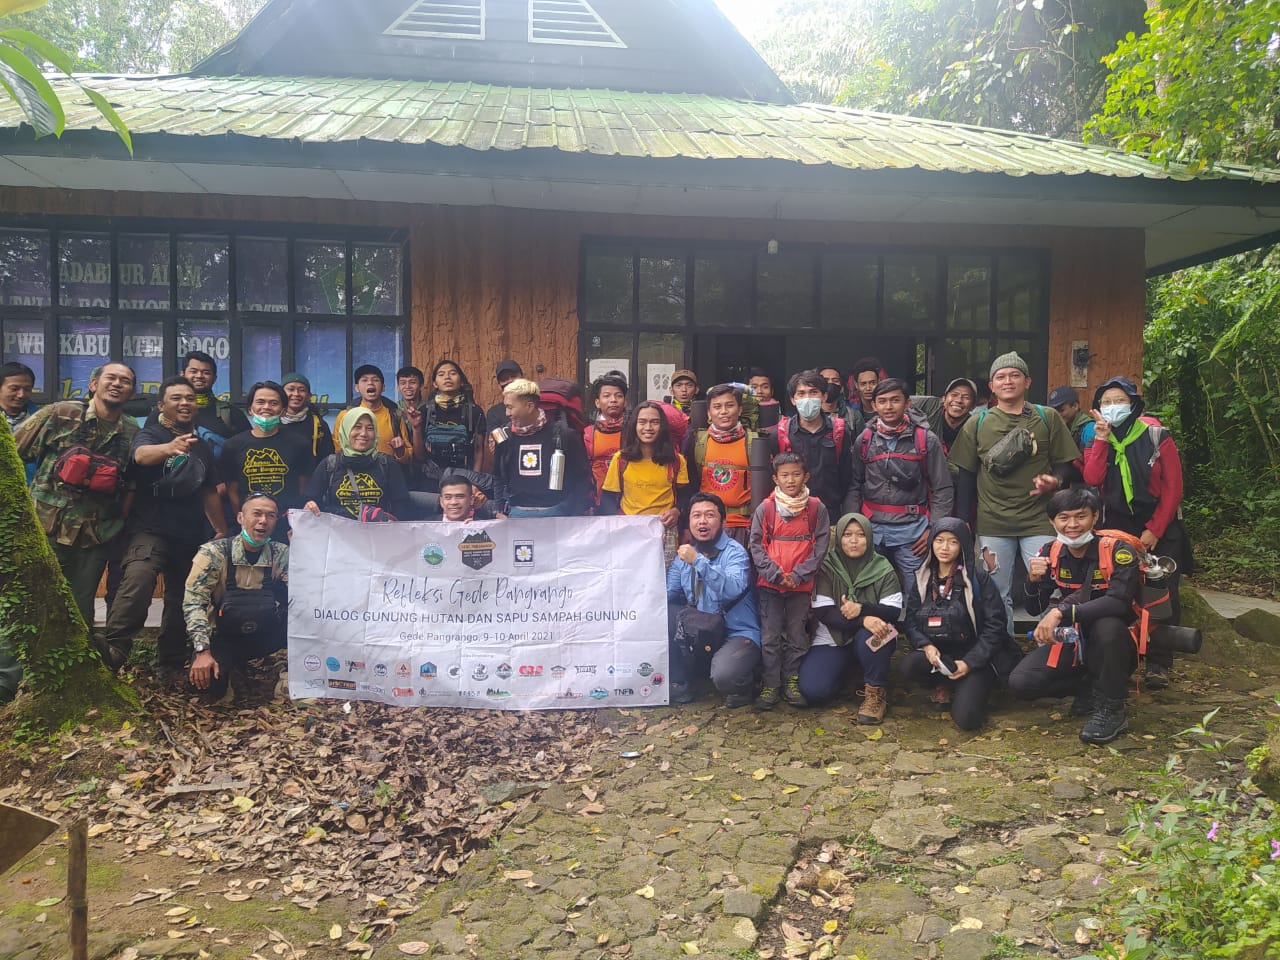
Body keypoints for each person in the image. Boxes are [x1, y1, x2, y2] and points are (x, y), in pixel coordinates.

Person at [95, 376, 226, 677]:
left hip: (191, 534)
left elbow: (208, 492)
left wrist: (220, 530)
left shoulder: (203, 447)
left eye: (189, 398)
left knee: (184, 597)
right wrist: (169, 447)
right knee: (138, 579)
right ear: (161, 405)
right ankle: (114, 651)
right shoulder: (150, 434)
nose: (184, 403)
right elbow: (141, 457)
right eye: (176, 398)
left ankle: (170, 663)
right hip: (150, 529)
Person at [948, 352, 1081, 632]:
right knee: (996, 593)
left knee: (1050, 586)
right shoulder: (978, 423)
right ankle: (1003, 653)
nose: (1007, 381)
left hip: (1040, 520)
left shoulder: (1048, 418)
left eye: (1014, 375)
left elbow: (1066, 467)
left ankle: (1053, 652)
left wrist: (1054, 482)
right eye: (1000, 377)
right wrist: (962, 524)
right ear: (992, 387)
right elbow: (967, 477)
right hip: (993, 522)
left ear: (1027, 381)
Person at [1009, 486, 1142, 745]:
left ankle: (1112, 707)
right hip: (1074, 638)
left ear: (1095, 517)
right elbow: (1035, 608)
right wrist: (1033, 580)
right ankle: (1090, 687)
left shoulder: (1118, 550)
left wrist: (1061, 612)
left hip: (1117, 640)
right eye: (1064, 518)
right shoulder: (1051, 551)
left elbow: (1118, 602)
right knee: (1021, 682)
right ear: (1052, 522)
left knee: (1108, 628)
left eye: (1081, 516)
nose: (1072, 525)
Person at [1081, 375, 1190, 690]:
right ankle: (1121, 657)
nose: (1112, 407)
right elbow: (1092, 477)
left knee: (1161, 592)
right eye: (1106, 402)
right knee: (1119, 590)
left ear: (1133, 403)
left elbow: (1173, 487)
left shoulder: (1156, 434)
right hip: (1116, 524)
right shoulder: (1097, 436)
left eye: (1119, 400)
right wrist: (1101, 440)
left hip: (1159, 523)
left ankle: (1158, 662)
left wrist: (1155, 529)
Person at [14, 362, 139, 627]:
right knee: (33, 605)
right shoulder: (61, 413)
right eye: (111, 378)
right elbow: (13, 452)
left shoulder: (131, 432)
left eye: (125, 381)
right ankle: (15, 670)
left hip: (94, 535)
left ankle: (74, 668)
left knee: (80, 611)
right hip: (46, 528)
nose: (117, 384)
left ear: (131, 392)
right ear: (94, 384)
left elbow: (131, 484)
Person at [902, 518, 1022, 730]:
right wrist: (926, 646)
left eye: (953, 542)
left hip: (975, 657)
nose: (945, 548)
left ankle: (978, 686)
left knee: (967, 719)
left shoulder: (977, 579)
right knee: (909, 665)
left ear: (963, 545)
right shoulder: (923, 578)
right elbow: (911, 620)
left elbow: (995, 627)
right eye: (939, 540)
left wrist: (969, 663)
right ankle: (945, 682)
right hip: (940, 655)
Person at [797, 512, 903, 724]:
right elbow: (826, 613)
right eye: (847, 535)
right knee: (814, 690)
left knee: (881, 633)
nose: (854, 541)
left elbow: (893, 611)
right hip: (833, 639)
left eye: (860, 535)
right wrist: (862, 619)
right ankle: (849, 675)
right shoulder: (827, 567)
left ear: (869, 538)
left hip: (870, 637)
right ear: (838, 538)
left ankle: (875, 690)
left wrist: (862, 608)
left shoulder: (882, 567)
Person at [184, 492, 289, 700]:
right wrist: (202, 650)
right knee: (209, 687)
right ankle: (231, 672)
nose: (263, 521)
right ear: (241, 517)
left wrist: (305, 547)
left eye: (271, 516)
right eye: (256, 514)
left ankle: (286, 671)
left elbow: (305, 594)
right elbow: (194, 602)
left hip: (267, 635)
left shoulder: (281, 553)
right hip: (224, 637)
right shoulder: (214, 553)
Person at [849, 378, 954, 582]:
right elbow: (854, 484)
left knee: (917, 592)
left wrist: (934, 529)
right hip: (871, 529)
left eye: (895, 400)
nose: (888, 406)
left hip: (914, 531)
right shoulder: (864, 439)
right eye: (882, 401)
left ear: (907, 403)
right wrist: (853, 525)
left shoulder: (926, 439)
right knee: (872, 592)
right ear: (874, 405)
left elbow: (943, 488)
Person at [749, 452, 830, 710]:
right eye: (784, 475)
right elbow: (756, 546)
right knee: (770, 637)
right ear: (775, 478)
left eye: (796, 474)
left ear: (806, 476)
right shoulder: (766, 508)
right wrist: (775, 575)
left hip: (801, 586)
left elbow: (821, 546)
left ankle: (792, 681)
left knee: (797, 635)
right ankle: (771, 684)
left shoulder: (817, 508)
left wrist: (798, 575)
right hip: (770, 585)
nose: (791, 480)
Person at [667, 493, 761, 707]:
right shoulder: (684, 556)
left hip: (734, 633)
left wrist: (697, 562)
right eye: (696, 516)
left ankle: (744, 684)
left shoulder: (735, 553)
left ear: (723, 522)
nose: (702, 521)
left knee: (724, 676)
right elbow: (668, 593)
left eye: (709, 515)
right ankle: (679, 685)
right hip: (701, 631)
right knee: (664, 613)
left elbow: (731, 589)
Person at [599, 401, 689, 564]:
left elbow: (685, 496)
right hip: (628, 530)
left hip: (665, 531)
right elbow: (608, 499)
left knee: (665, 581)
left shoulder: (676, 460)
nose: (648, 427)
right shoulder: (621, 459)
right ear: (634, 426)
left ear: (662, 427)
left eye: (654, 422)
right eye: (642, 422)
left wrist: (677, 511)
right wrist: (620, 525)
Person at [220, 381, 312, 535]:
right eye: (260, 402)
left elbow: (303, 488)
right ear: (250, 409)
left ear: (282, 411)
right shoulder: (232, 446)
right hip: (249, 527)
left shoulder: (299, 444)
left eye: (273, 403)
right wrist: (244, 520)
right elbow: (233, 491)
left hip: (287, 526)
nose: (266, 407)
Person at [492, 378, 588, 517]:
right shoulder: (503, 436)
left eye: (510, 407)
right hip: (516, 513)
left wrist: (571, 511)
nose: (507, 413)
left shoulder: (564, 435)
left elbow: (582, 477)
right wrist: (498, 509)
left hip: (556, 512)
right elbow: (497, 476)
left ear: (530, 406)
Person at [683, 384, 764, 546]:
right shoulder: (698, 442)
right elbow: (689, 486)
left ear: (740, 410)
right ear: (709, 413)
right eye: (717, 407)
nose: (724, 411)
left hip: (743, 526)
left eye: (730, 405)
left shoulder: (754, 441)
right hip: (706, 526)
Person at [774, 369, 854, 521]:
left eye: (813, 392)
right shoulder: (780, 434)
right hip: (791, 518)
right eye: (801, 393)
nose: (807, 398)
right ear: (793, 399)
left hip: (831, 518)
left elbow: (847, 479)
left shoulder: (840, 432)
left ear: (824, 396)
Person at [305, 407, 411, 520]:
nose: (363, 433)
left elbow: (402, 508)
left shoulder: (387, 464)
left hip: (378, 535)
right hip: (338, 535)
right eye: (357, 427)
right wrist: (310, 506)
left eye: (370, 428)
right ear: (346, 430)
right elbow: (312, 502)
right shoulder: (329, 465)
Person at [407, 359, 486, 483]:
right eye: (441, 374)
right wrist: (416, 428)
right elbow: (420, 456)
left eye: (453, 373)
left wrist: (474, 482)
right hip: (430, 479)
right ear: (435, 383)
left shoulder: (474, 412)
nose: (447, 377)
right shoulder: (424, 411)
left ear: (461, 381)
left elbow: (478, 451)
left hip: (463, 479)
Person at [163, 351, 250, 458]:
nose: (199, 376)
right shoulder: (164, 413)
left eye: (206, 372)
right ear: (182, 374)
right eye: (193, 371)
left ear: (215, 378)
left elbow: (248, 453)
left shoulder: (232, 414)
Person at [333, 364, 413, 466]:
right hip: (354, 476)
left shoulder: (395, 415)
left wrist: (400, 452)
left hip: (387, 475)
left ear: (383, 387)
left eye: (375, 380)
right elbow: (338, 451)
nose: (370, 383)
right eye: (364, 380)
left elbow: (408, 457)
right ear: (357, 388)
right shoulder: (345, 416)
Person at [584, 370, 628, 511]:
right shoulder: (588, 433)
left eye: (618, 396)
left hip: (629, 503)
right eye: (607, 396)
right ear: (597, 402)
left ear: (625, 401)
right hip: (597, 502)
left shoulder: (635, 432)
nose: (613, 400)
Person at [912, 377, 979, 460]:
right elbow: (901, 401)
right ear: (944, 399)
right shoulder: (932, 408)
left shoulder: (975, 428)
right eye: (954, 395)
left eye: (966, 397)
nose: (959, 400)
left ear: (973, 406)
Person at [279, 372, 333, 470]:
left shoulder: (318, 424)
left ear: (308, 396)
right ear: (281, 393)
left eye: (302, 390)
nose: (296, 394)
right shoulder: (272, 422)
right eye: (291, 389)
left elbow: (327, 458)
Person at [1, 361, 38, 483]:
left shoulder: (42, 421)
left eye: (27, 389)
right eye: (14, 389)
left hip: (31, 494)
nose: (21, 395)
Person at [485, 359, 523, 431]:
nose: (510, 381)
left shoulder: (535, 405)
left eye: (513, 376)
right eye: (504, 378)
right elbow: (495, 440)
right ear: (499, 386)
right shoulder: (494, 413)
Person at [849, 357, 883, 422]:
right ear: (856, 385)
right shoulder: (851, 412)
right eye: (863, 384)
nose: (868, 388)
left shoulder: (886, 409)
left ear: (879, 382)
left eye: (872, 383)